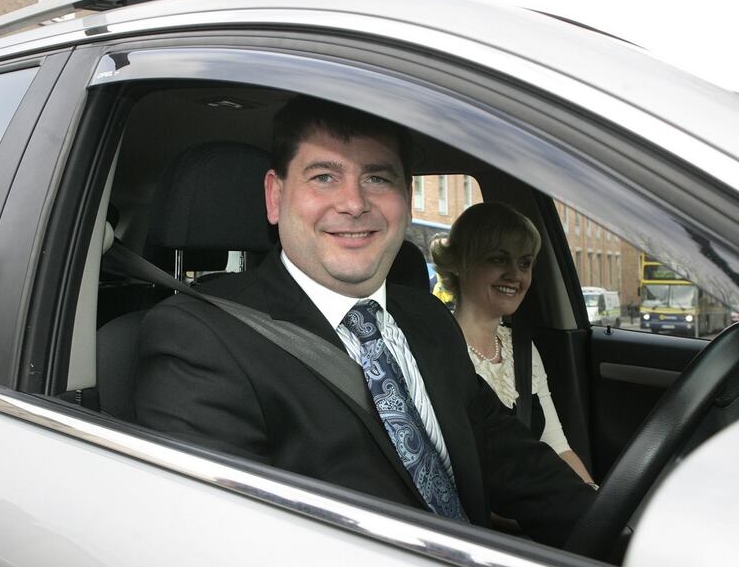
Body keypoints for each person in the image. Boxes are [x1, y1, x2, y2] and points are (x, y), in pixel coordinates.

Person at [134, 95, 595, 547]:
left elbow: (509, 459)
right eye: (323, 177)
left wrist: (617, 537)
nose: (354, 203)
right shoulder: (198, 337)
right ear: (275, 197)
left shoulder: (428, 318)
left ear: (406, 200)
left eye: (377, 178)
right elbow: (223, 543)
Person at [432, 203, 595, 484]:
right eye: (498, 259)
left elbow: (558, 447)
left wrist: (594, 501)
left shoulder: (521, 349)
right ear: (458, 263)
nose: (515, 275)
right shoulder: (434, 349)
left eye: (525, 263)